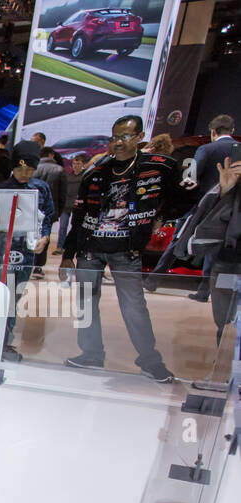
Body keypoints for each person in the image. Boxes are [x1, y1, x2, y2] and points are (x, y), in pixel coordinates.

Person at [61, 115, 199, 382]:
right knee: (85, 303)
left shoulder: (161, 167)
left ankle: (150, 361)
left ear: (139, 137)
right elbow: (79, 216)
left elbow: (189, 195)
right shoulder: (97, 171)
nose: (118, 143)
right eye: (114, 137)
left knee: (134, 307)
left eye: (124, 137)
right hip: (91, 248)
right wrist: (68, 254)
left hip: (127, 251)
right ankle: (91, 354)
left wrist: (163, 216)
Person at [0, 141, 55, 361]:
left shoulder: (41, 189)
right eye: (20, 168)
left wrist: (45, 236)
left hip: (27, 252)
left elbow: (48, 217)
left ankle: (5, 341)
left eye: (29, 168)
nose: (24, 173)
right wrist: (3, 229)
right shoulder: (0, 189)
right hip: (2, 252)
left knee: (15, 297)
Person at [182, 156, 241, 343]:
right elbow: (206, 218)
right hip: (228, 260)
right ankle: (224, 368)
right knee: (225, 324)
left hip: (227, 260)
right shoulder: (233, 182)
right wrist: (226, 190)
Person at [183, 115, 237, 301]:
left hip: (211, 206)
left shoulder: (206, 148)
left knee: (208, 244)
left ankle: (205, 290)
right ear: (233, 130)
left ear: (213, 132)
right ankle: (226, 293)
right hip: (237, 209)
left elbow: (191, 177)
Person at [31, 147, 66, 273]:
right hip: (49, 209)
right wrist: (58, 212)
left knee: (29, 235)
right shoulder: (59, 170)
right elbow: (63, 195)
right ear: (51, 155)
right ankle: (38, 266)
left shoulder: (33, 169)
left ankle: (28, 262)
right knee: (45, 235)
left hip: (32, 208)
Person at [57, 152, 89, 248]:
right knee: (62, 227)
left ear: (83, 164)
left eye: (78, 164)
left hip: (79, 206)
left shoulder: (86, 176)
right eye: (74, 163)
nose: (75, 166)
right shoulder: (67, 176)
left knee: (77, 227)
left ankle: (77, 246)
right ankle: (60, 246)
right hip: (66, 205)